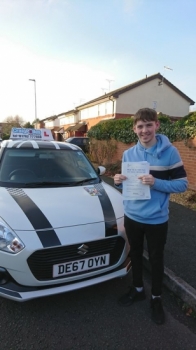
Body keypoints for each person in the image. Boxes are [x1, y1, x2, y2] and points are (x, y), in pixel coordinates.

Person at [114, 107, 188, 325]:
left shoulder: (170, 152)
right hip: (132, 216)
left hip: (156, 219)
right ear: (134, 129)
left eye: (148, 125)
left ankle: (156, 298)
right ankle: (138, 289)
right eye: (140, 126)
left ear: (157, 125)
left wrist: (157, 183)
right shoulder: (128, 154)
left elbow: (182, 184)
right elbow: (127, 187)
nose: (144, 130)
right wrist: (119, 181)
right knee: (135, 255)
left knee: (156, 260)